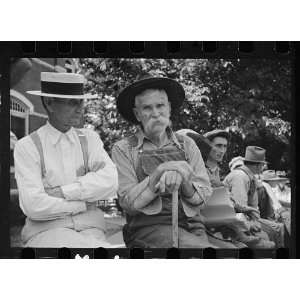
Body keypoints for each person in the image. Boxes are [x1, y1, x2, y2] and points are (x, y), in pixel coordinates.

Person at [112, 74, 237, 248]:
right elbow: (128, 204)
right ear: (137, 114)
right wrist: (158, 174)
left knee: (235, 251)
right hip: (148, 229)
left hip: (193, 225)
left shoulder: (187, 144)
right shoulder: (123, 148)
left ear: (169, 108)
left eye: (160, 105)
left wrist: (183, 181)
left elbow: (203, 198)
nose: (155, 113)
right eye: (147, 108)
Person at [14, 72, 118, 248]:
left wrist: (63, 192)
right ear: (49, 103)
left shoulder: (89, 139)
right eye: (72, 102)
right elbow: (34, 205)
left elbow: (111, 181)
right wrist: (84, 202)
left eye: (81, 102)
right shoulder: (27, 146)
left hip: (92, 230)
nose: (80, 108)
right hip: (47, 233)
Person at [179, 129, 268, 248]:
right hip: (204, 227)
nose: (222, 150)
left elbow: (224, 201)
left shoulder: (214, 172)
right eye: (218, 146)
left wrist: (242, 210)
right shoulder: (194, 173)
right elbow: (201, 211)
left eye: (225, 146)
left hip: (217, 224)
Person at [223, 146, 284, 248]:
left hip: (249, 218)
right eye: (263, 165)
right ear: (258, 166)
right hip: (233, 223)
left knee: (278, 228)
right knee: (271, 233)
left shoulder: (249, 176)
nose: (263, 167)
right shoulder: (240, 177)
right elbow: (240, 210)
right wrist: (250, 225)